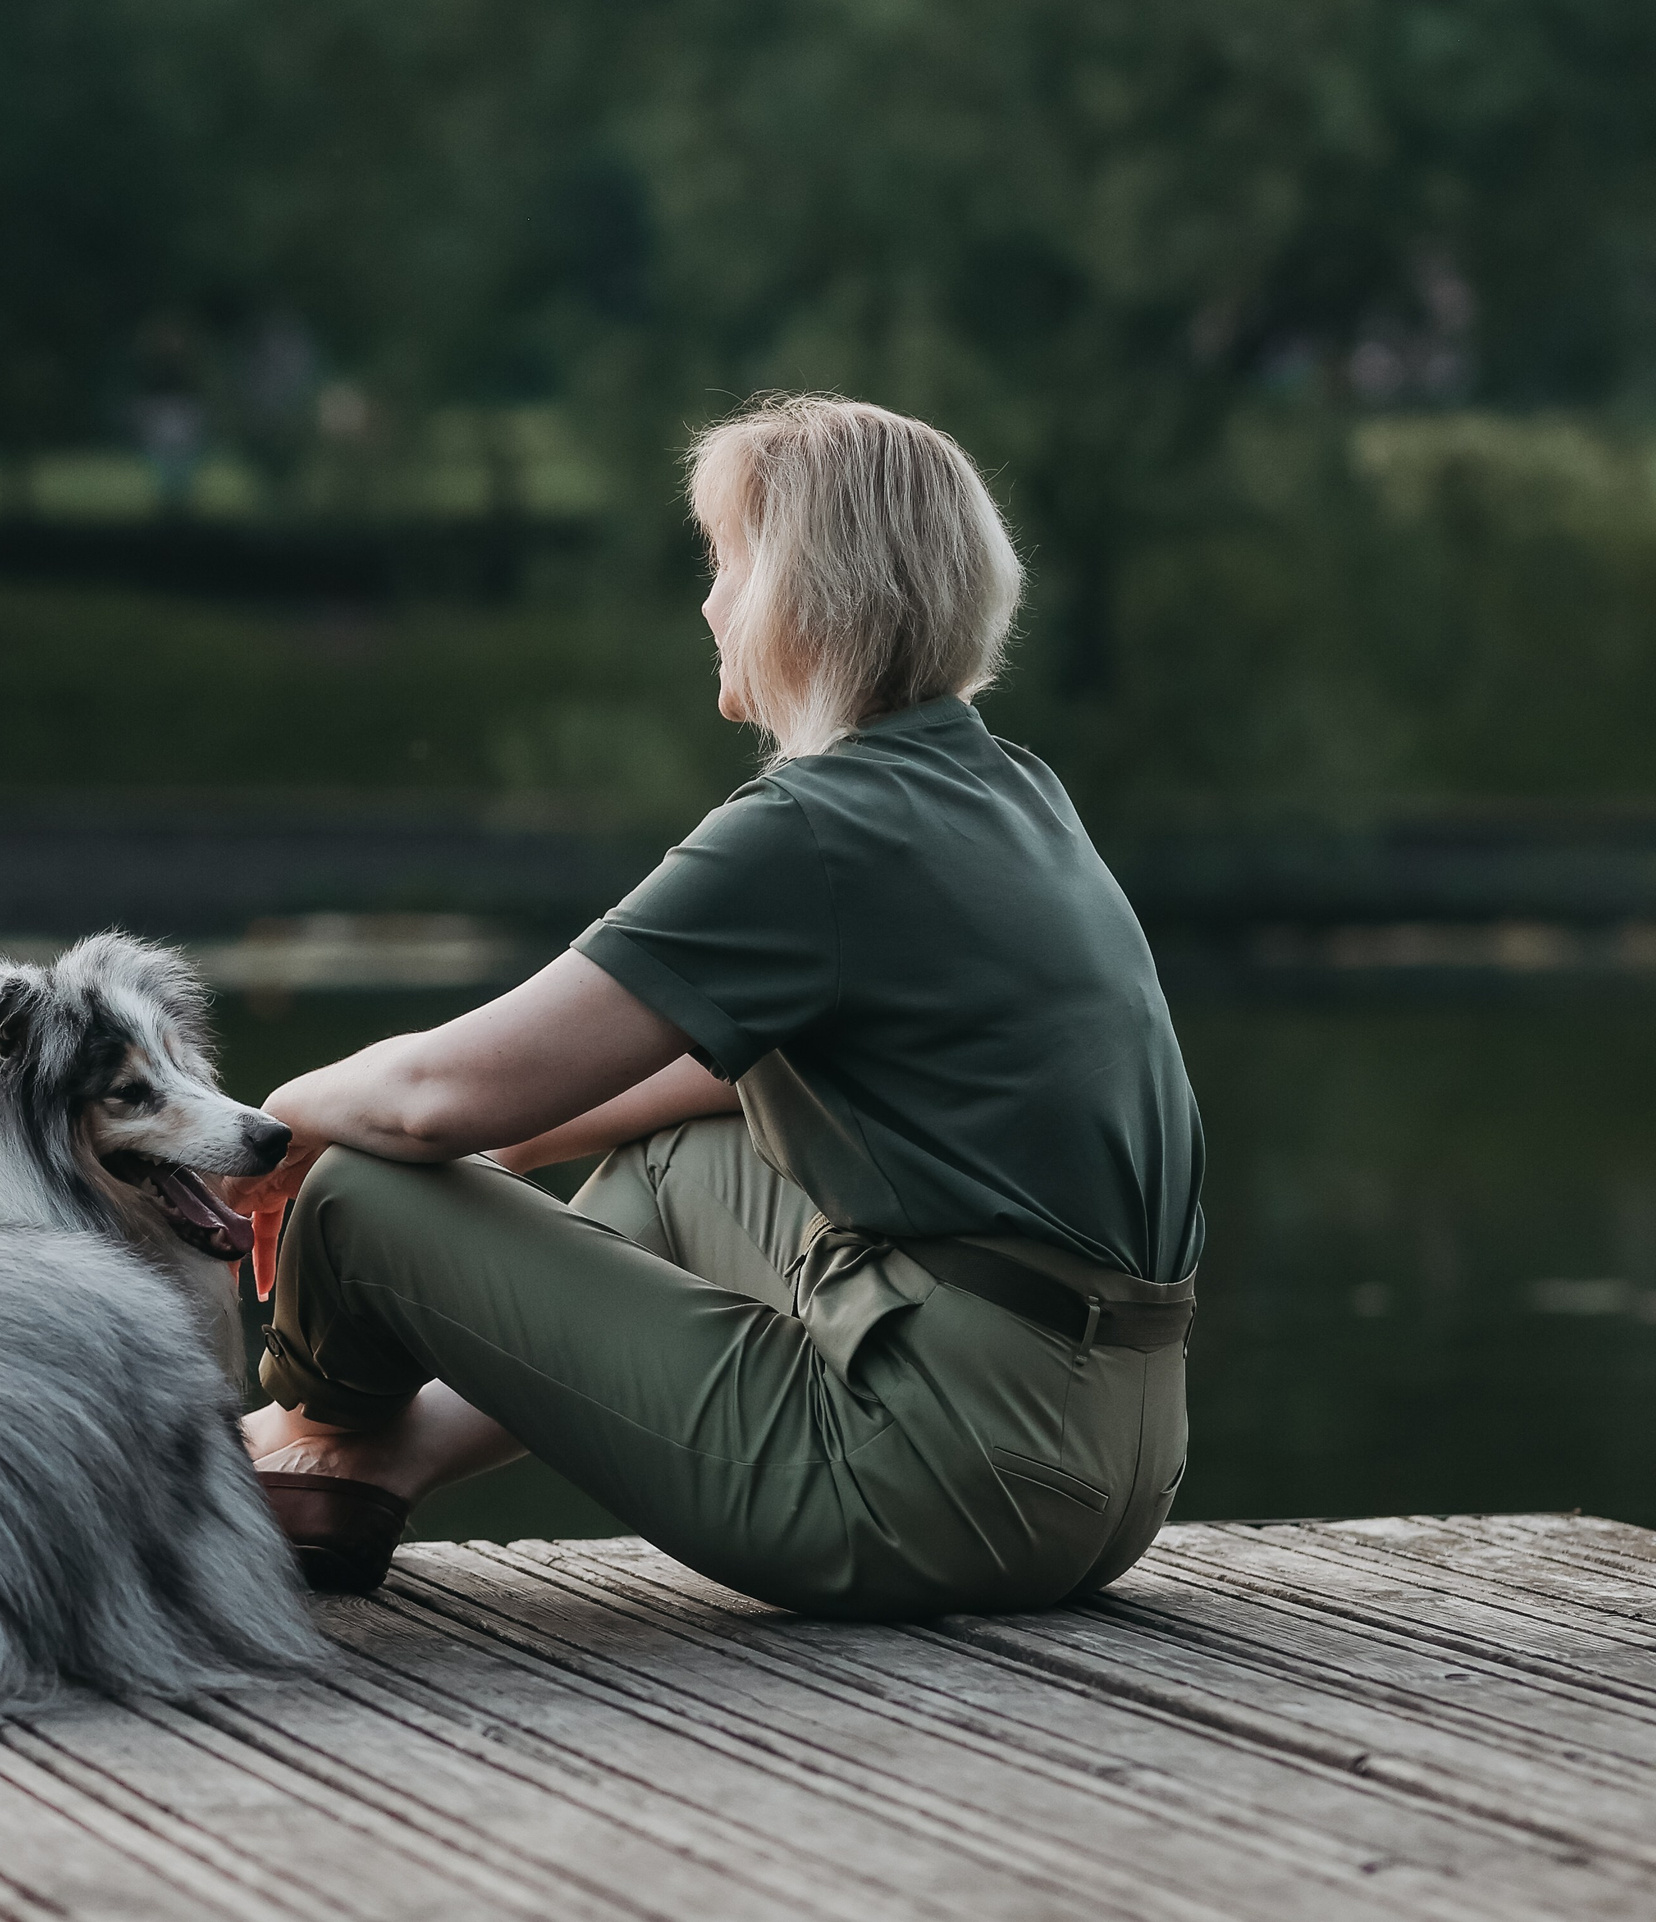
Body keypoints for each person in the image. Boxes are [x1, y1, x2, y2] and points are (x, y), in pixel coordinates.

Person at [224, 394, 1203, 1615]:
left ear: (801, 589)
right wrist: (512, 1149)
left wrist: (286, 1117)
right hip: (1108, 1464)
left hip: (932, 1485)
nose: (708, 604)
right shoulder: (1011, 791)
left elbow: (436, 1098)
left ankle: (308, 1434)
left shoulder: (812, 830)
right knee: (685, 1157)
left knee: (357, 1190)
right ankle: (387, 1460)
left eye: (726, 562)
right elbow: (637, 1088)